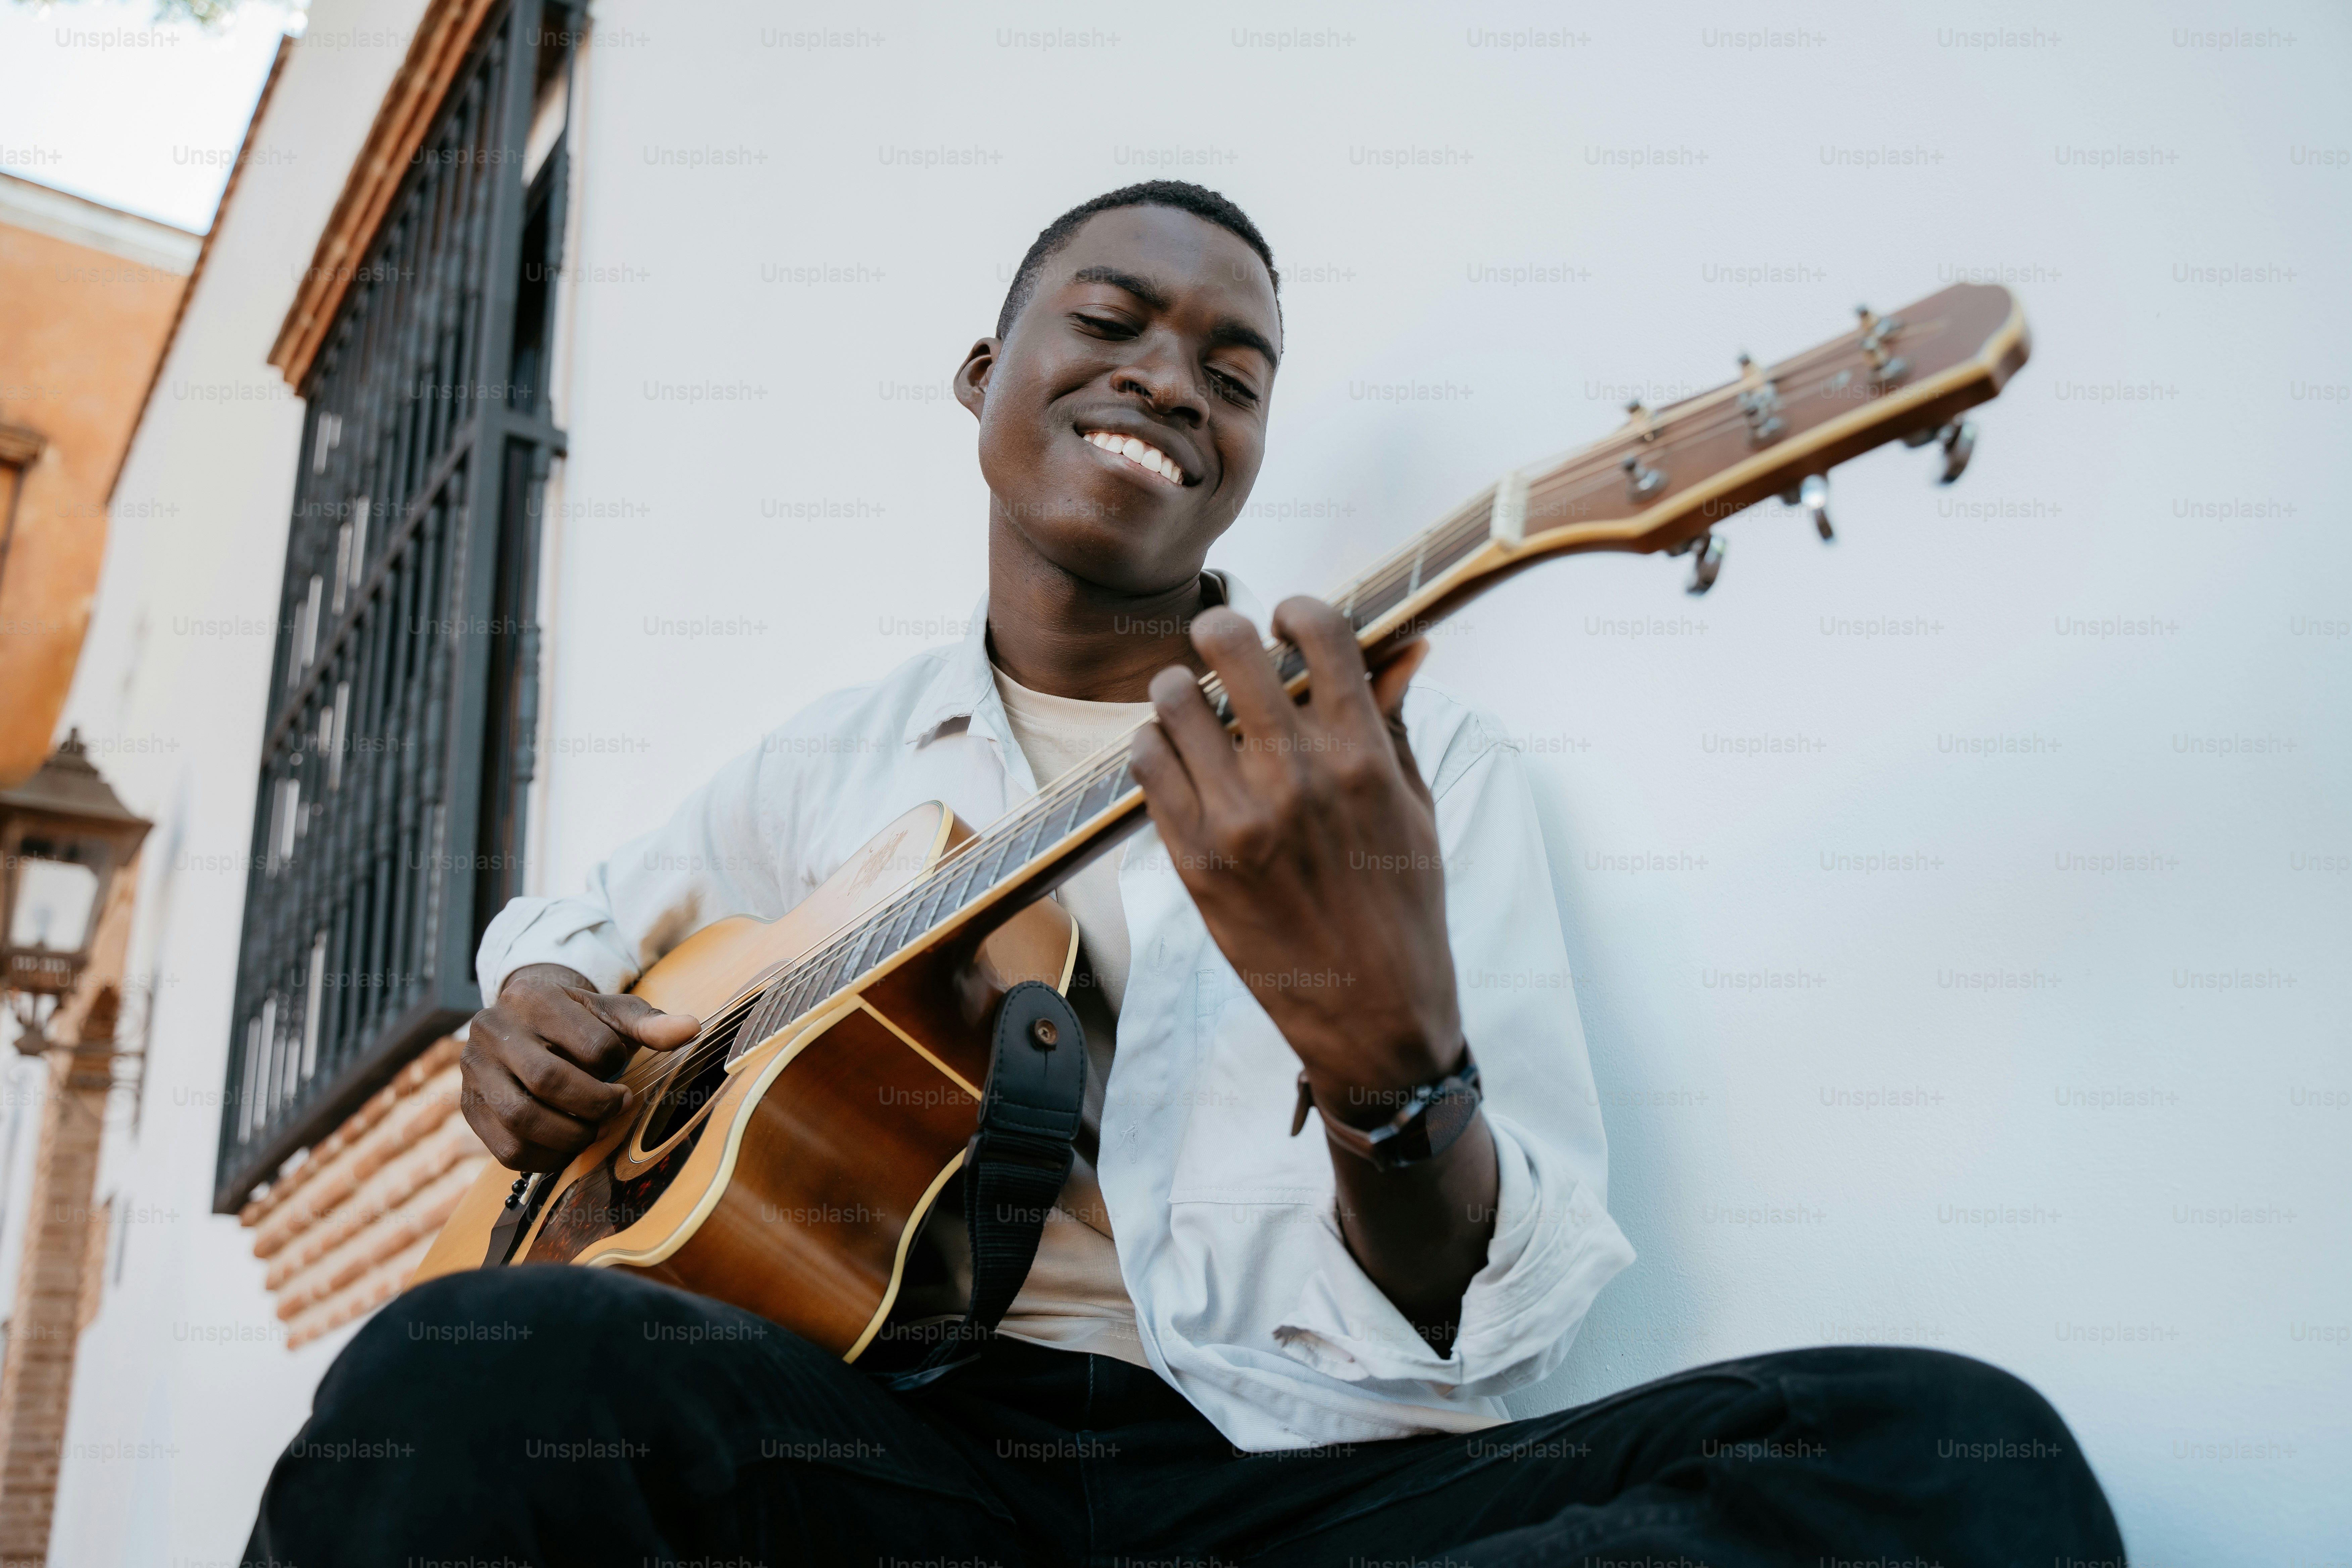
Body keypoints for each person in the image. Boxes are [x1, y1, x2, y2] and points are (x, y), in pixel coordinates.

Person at [245, 181, 2124, 1567]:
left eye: (1235, 369)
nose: (1175, 378)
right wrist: (540, 1014)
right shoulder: (832, 763)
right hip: (877, 1462)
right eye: (1117, 322)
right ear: (990, 373)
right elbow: (574, 925)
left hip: (1293, 1495)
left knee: (1953, 1459)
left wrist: (1393, 1070)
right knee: (464, 1364)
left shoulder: (1403, 758)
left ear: (1247, 456)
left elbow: (1510, 1314)